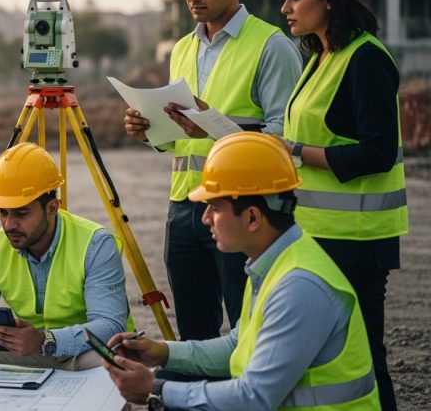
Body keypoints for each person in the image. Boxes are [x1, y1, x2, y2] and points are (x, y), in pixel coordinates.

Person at [104, 132, 379, 410]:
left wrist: (155, 390)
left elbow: (254, 398)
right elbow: (237, 346)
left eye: (214, 206)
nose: (205, 217)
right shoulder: (273, 262)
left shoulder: (299, 286)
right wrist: (161, 351)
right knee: (173, 374)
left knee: (172, 391)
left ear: (252, 217)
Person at [123, 0, 302, 341]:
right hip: (184, 206)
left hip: (244, 210)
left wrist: (214, 127)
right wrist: (147, 130)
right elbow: (175, 139)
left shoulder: (271, 46)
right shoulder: (183, 48)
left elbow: (283, 139)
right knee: (195, 335)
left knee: (249, 332)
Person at [270, 0, 408, 411]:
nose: (286, 7)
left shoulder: (365, 59)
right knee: (325, 358)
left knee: (366, 358)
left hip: (357, 239)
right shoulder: (322, 56)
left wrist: (295, 150)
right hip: (319, 234)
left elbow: (375, 151)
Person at [0, 143, 129, 370]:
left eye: (21, 213)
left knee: (113, 363)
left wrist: (47, 340)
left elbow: (110, 325)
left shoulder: (96, 244)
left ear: (52, 208)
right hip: (28, 349)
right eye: (3, 212)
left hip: (85, 350)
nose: (9, 224)